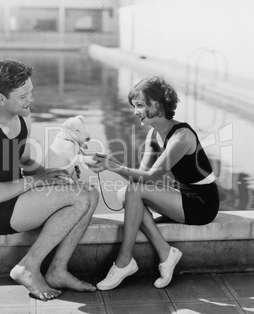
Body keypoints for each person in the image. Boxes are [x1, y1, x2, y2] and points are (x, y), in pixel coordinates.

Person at [0, 59, 99, 301]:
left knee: (90, 192)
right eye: (23, 95)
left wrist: (57, 174)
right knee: (79, 198)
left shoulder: (22, 116)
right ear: (1, 98)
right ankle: (28, 267)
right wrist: (38, 182)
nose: (30, 99)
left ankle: (57, 271)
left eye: (30, 92)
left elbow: (24, 160)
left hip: (15, 195)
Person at [90, 76, 219, 290]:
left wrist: (112, 166)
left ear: (157, 105)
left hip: (201, 204)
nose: (135, 112)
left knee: (132, 192)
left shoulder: (182, 136)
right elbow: (140, 175)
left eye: (140, 106)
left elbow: (150, 178)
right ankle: (165, 253)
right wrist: (109, 162)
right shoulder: (154, 133)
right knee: (125, 194)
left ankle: (124, 261)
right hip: (182, 197)